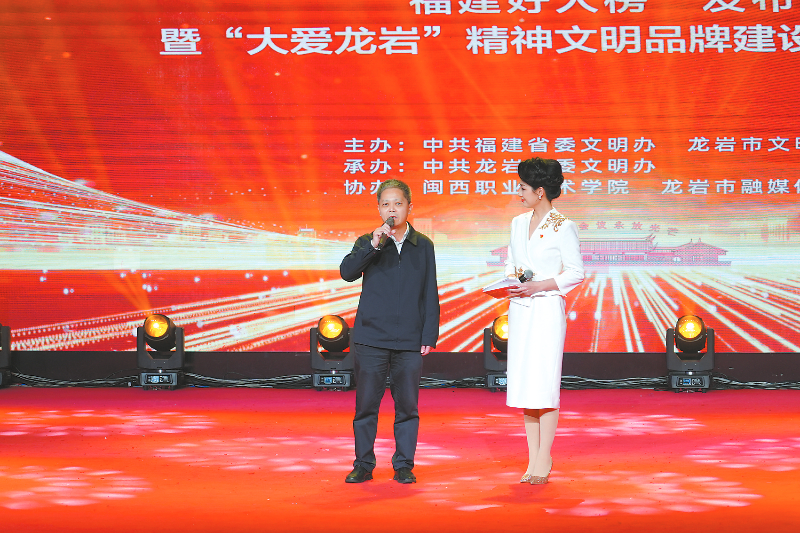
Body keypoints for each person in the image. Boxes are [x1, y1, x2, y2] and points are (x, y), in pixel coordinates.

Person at [340, 179, 440, 484]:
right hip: (371, 338)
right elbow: (347, 273)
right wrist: (373, 245)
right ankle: (363, 464)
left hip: (409, 340)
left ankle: (404, 465)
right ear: (379, 209)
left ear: (409, 207)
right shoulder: (367, 241)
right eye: (386, 204)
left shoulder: (423, 245)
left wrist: (428, 335)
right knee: (366, 406)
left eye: (398, 203)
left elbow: (430, 292)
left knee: (407, 407)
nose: (392, 209)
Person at [504, 157, 584, 485]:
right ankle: (532, 457)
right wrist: (511, 281)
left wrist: (539, 285)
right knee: (526, 384)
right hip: (521, 308)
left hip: (547, 309)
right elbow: (510, 263)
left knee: (544, 384)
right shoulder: (517, 223)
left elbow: (576, 272)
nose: (518, 193)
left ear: (540, 191)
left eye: (523, 188)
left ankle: (544, 457)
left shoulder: (563, 226)